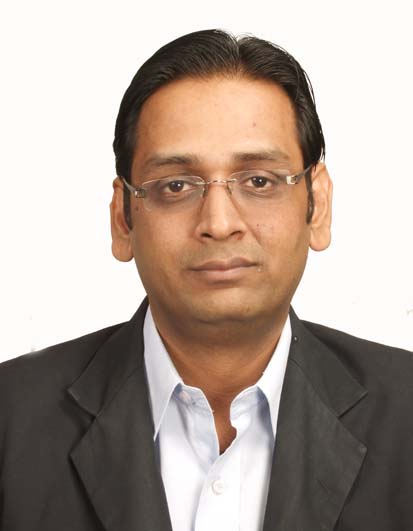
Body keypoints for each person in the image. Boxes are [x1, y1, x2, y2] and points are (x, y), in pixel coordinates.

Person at [0, 28, 412, 531]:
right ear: (123, 219)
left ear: (317, 206)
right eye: (176, 185)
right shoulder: (10, 420)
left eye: (258, 181)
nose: (219, 222)